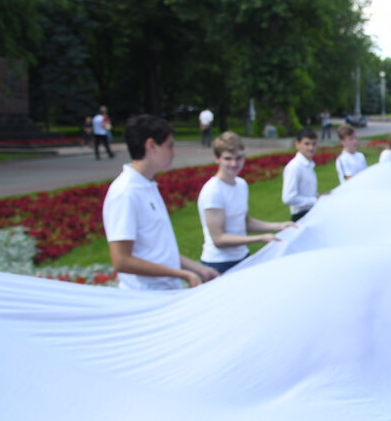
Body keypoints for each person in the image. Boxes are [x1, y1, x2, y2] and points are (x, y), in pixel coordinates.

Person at [103, 114, 218, 290]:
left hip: (166, 293)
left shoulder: (147, 185)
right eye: (169, 146)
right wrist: (182, 274)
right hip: (146, 299)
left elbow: (158, 252)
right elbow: (121, 260)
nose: (174, 153)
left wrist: (199, 269)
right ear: (151, 146)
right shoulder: (125, 192)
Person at [198, 132, 293, 274]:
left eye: (239, 158)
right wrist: (261, 238)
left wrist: (279, 226)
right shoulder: (213, 190)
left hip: (242, 257)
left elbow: (246, 223)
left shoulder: (241, 184)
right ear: (217, 159)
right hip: (219, 263)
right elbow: (218, 239)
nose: (234, 164)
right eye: (228, 159)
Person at [282, 128, 319, 222]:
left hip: (311, 212)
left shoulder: (309, 165)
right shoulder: (294, 167)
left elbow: (307, 192)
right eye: (307, 144)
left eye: (314, 144)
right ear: (297, 144)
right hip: (301, 216)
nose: (311, 148)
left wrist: (319, 197)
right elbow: (288, 197)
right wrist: (314, 200)